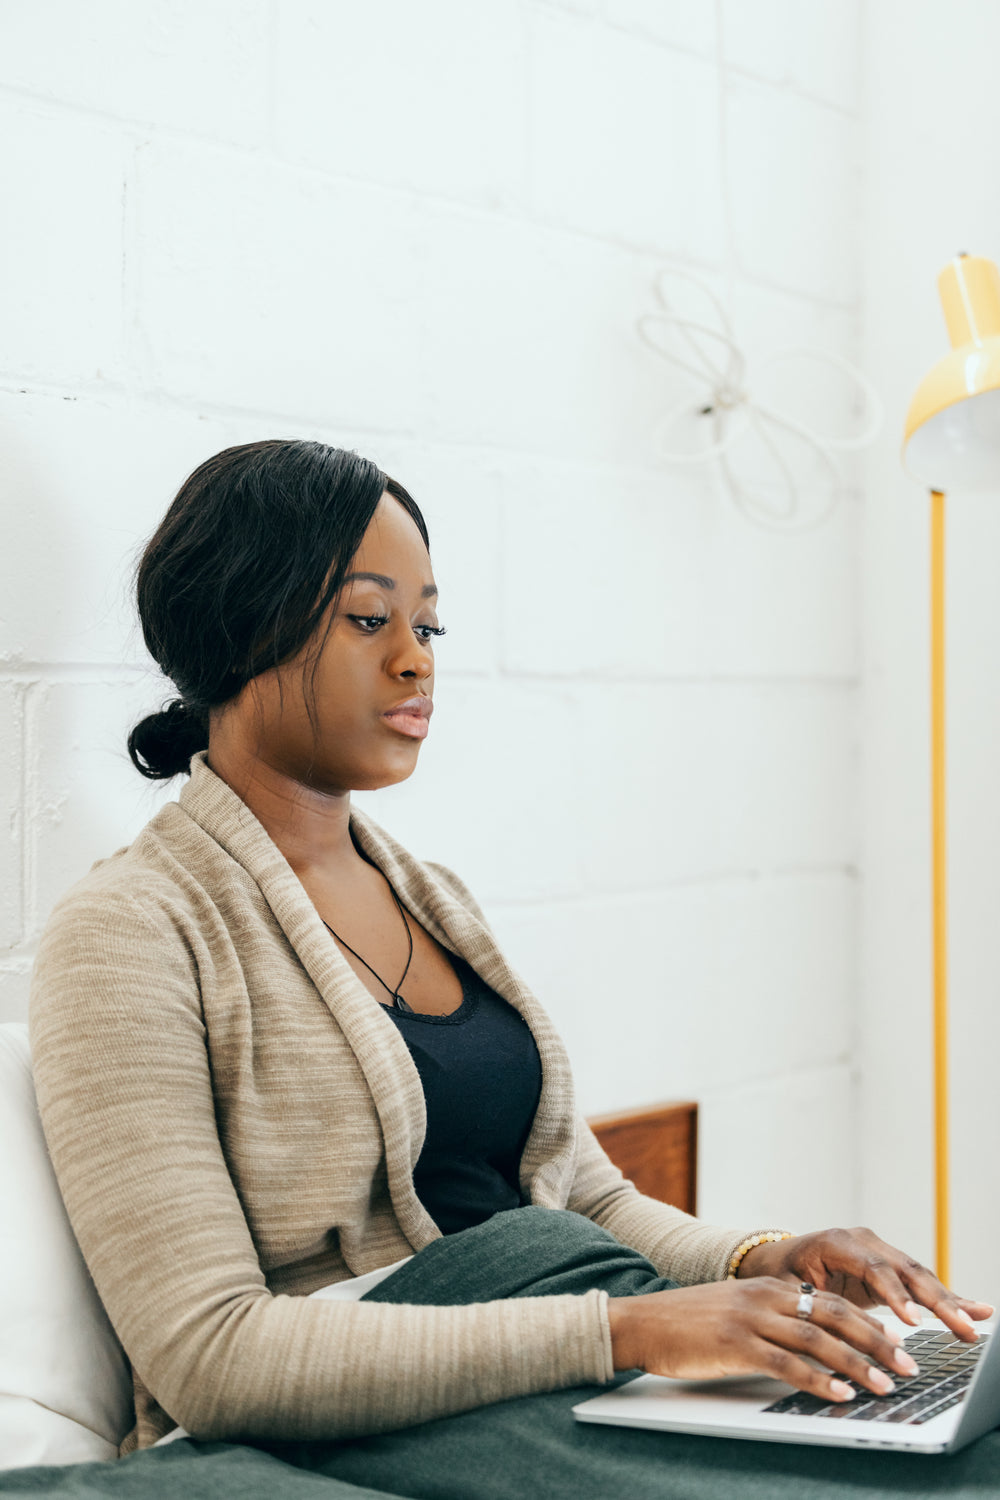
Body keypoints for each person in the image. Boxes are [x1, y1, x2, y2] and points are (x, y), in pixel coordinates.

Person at [29, 440, 991, 1475]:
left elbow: (591, 1207)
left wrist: (765, 1259)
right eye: (369, 620)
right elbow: (212, 1356)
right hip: (382, 1423)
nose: (417, 659)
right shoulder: (131, 930)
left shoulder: (431, 898)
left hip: (564, 1355)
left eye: (427, 625)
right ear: (240, 623)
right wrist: (627, 1335)